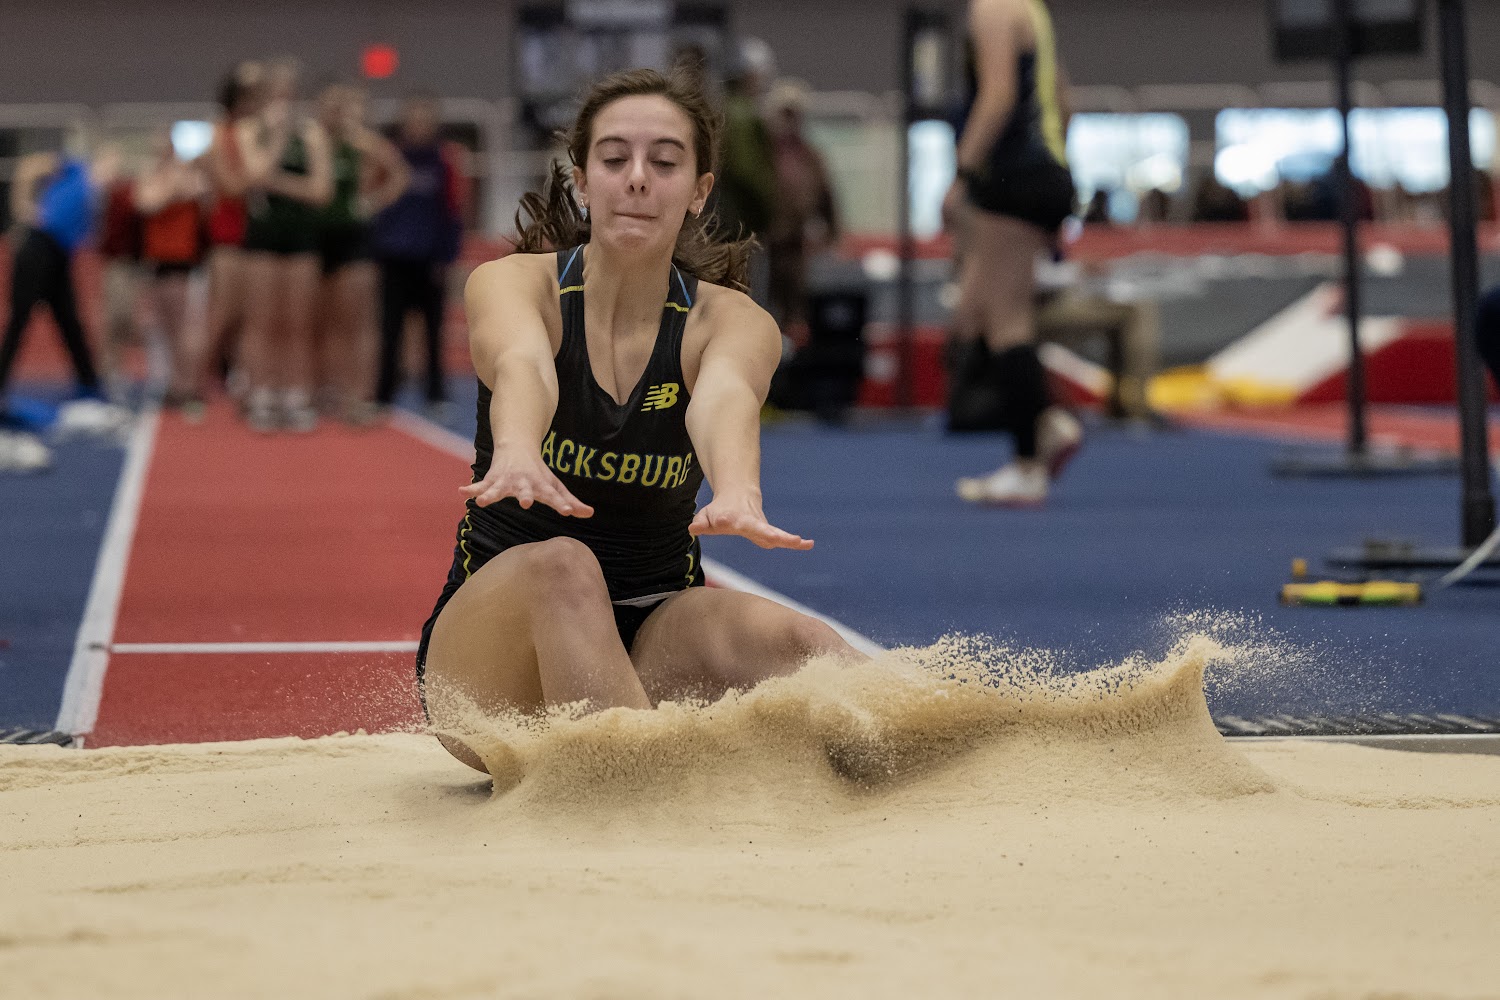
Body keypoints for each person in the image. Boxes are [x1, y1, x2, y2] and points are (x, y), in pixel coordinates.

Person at [417, 67, 863, 774]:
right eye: (615, 158)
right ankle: (633, 790)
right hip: (494, 663)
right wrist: (518, 447)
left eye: (664, 162)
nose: (637, 179)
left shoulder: (733, 322)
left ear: (699, 191)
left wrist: (738, 489)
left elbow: (724, 400)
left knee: (810, 649)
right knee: (567, 566)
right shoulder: (513, 285)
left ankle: (946, 761)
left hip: (652, 635)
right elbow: (523, 366)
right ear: (581, 180)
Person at [945, 0, 1082, 507]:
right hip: (1042, 172)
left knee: (1005, 319)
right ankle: (1044, 423)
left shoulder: (993, 9)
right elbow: (1064, 101)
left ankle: (1028, 463)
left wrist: (962, 174)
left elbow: (998, 96)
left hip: (1012, 176)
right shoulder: (1031, 11)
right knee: (986, 310)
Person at [239, 59, 333, 432]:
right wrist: (277, 140)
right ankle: (262, 393)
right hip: (264, 234)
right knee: (262, 319)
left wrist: (276, 182)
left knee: (298, 320)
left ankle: (294, 395)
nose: (283, 99)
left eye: (289, 93)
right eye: (276, 93)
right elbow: (253, 176)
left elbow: (321, 191)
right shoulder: (251, 130)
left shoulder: (312, 134)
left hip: (301, 235)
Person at [0, 134, 121, 425]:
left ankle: (89, 384)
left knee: (69, 321)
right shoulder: (76, 169)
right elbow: (29, 167)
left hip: (58, 256)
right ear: (101, 160)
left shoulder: (95, 201)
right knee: (19, 321)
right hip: (38, 249)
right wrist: (23, 208)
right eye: (111, 164)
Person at [314, 82, 409, 425]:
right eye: (330, 106)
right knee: (324, 318)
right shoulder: (315, 142)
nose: (336, 114)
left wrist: (372, 202)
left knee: (357, 320)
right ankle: (329, 388)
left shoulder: (363, 143)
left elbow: (400, 175)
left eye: (342, 107)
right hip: (319, 236)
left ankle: (360, 395)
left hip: (355, 237)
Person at [370, 93, 467, 419]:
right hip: (393, 257)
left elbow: (452, 211)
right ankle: (384, 393)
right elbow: (376, 203)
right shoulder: (389, 157)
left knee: (433, 331)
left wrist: (447, 257)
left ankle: (435, 393)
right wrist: (377, 249)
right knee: (390, 329)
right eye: (414, 119)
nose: (419, 125)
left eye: (425, 119)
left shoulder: (446, 160)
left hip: (430, 259)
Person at [197, 60, 265, 409]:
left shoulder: (257, 134)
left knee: (247, 316)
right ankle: (195, 381)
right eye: (252, 96)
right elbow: (230, 185)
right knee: (224, 313)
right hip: (228, 233)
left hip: (257, 232)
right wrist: (264, 172)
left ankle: (241, 380)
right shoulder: (221, 134)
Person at [134, 128, 209, 417]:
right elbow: (145, 203)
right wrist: (172, 188)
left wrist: (173, 185)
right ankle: (175, 382)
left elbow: (196, 194)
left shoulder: (188, 174)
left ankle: (188, 385)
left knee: (183, 326)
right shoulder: (157, 175)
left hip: (181, 259)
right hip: (158, 258)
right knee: (164, 326)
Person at [765, 79, 840, 331]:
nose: (789, 121)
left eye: (794, 114)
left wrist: (831, 236)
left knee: (797, 313)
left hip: (798, 248)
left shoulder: (811, 157)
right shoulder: (764, 154)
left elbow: (827, 199)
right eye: (785, 114)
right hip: (765, 247)